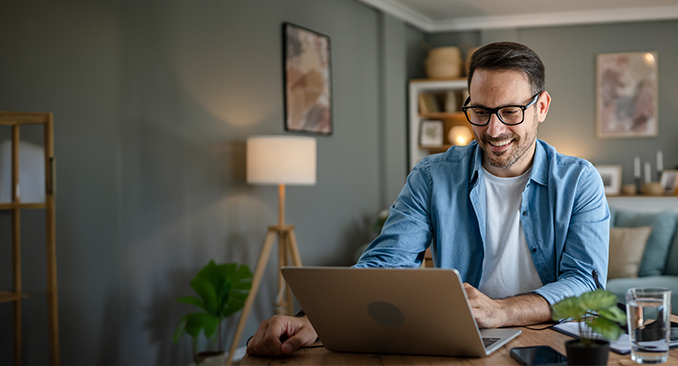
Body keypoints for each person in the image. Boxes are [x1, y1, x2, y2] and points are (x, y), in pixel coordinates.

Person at [246, 42, 610, 357]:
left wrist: (502, 311)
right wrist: (311, 321)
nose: (493, 130)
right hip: (463, 345)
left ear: (542, 107)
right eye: (480, 112)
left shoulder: (579, 180)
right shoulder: (433, 176)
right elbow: (387, 262)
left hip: (554, 344)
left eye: (510, 112)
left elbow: (585, 282)